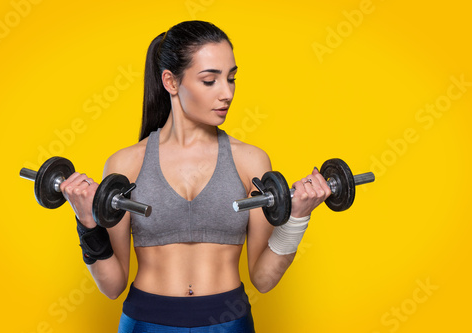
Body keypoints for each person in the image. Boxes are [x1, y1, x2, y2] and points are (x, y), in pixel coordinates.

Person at [60, 20, 331, 332]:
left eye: (231, 79)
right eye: (209, 81)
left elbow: (263, 278)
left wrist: (296, 218)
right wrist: (86, 222)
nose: (226, 93)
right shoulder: (126, 164)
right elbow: (112, 285)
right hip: (145, 322)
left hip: (228, 322)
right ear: (171, 82)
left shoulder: (250, 161)